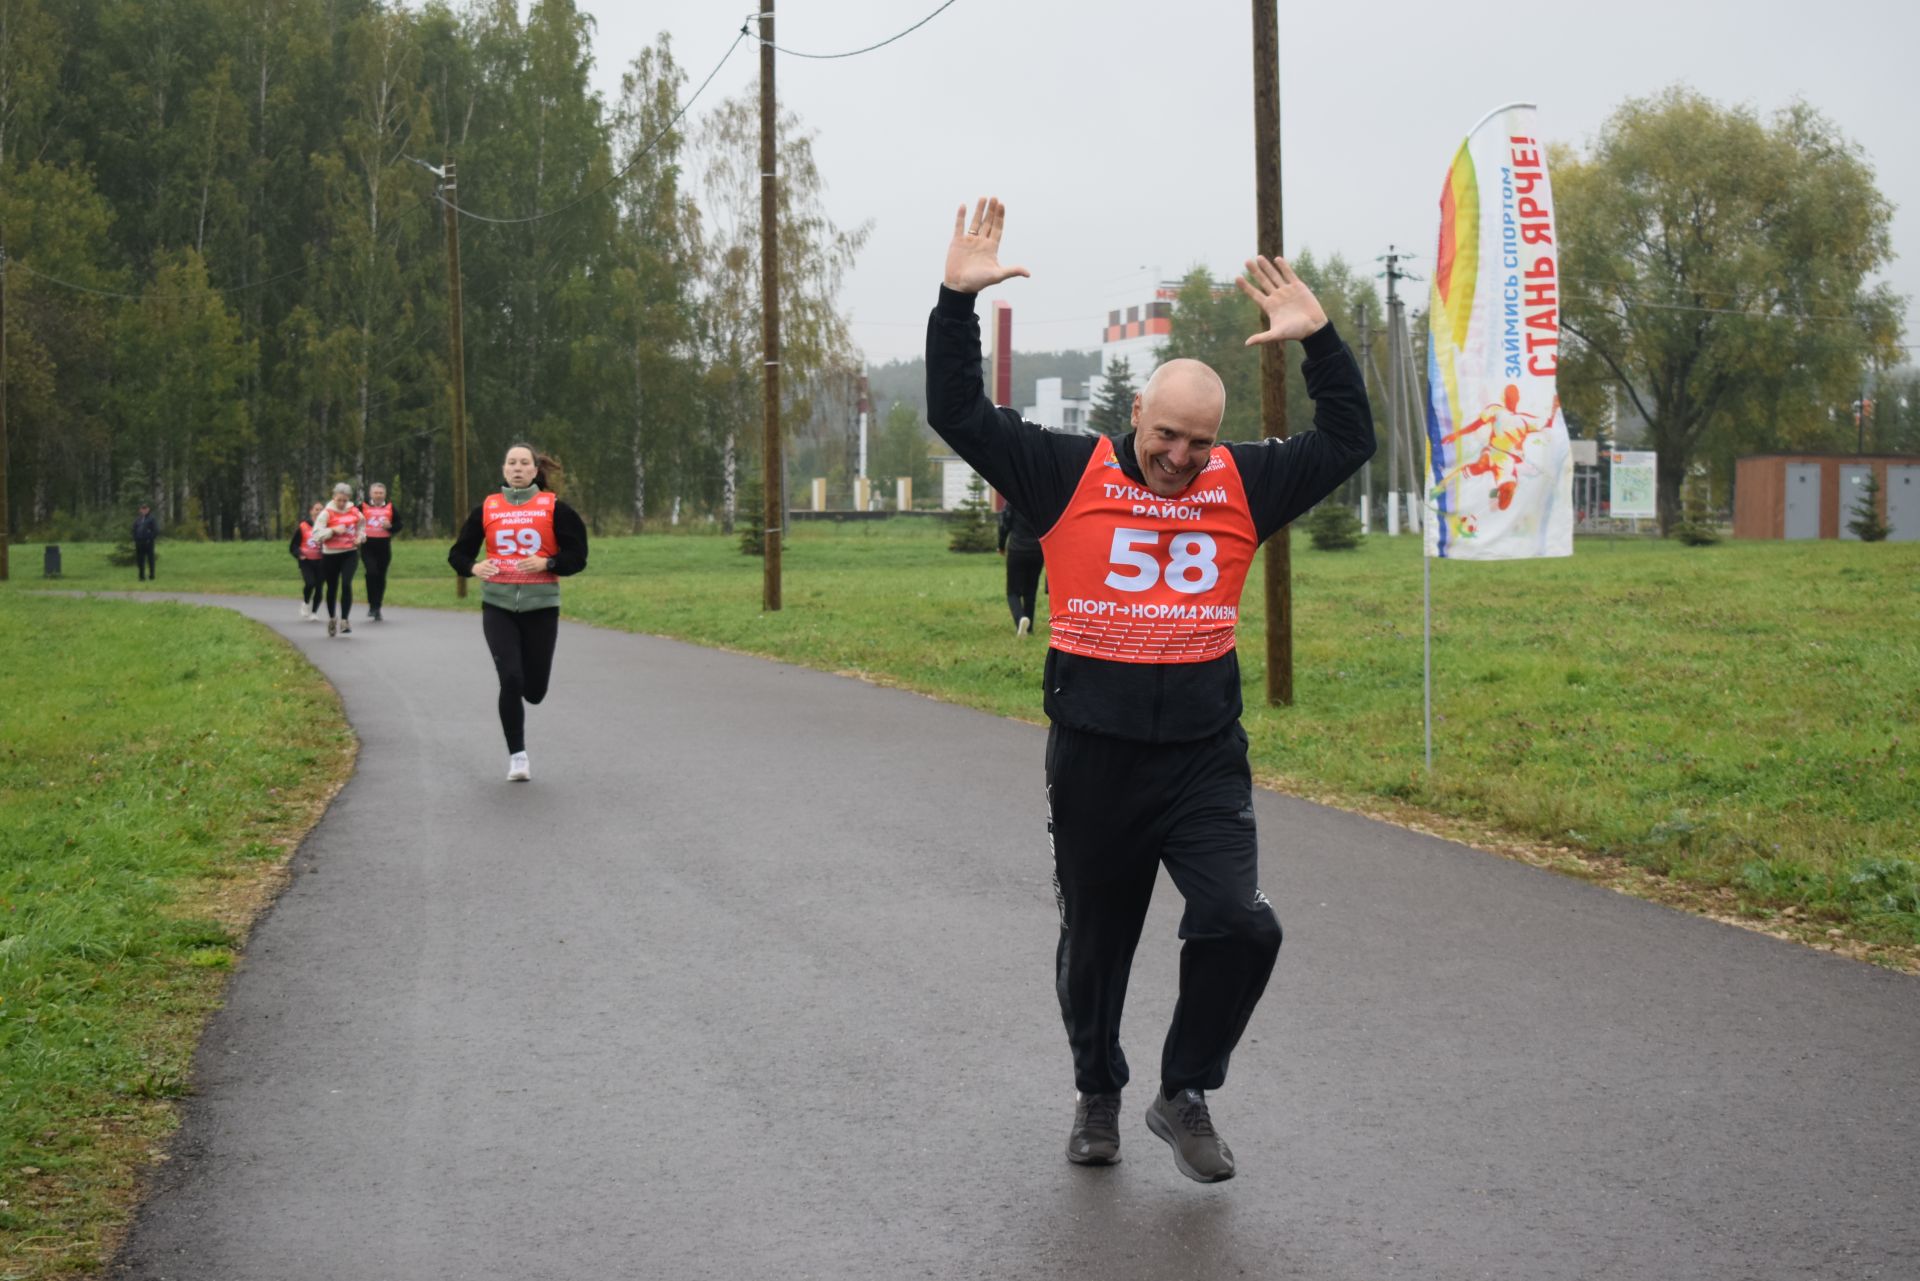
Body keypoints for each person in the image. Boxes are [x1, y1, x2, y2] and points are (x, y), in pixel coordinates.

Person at [927, 198, 1373, 1183]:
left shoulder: (1244, 485)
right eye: (1168, 435)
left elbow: (1347, 442)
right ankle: (1098, 1089)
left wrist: (1324, 341)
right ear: (1136, 415)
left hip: (1205, 762)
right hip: (1094, 759)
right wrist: (958, 301)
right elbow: (957, 413)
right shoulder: (1062, 472)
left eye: (1199, 443)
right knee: (1098, 948)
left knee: (1242, 923)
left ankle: (1186, 1091)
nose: (1181, 458)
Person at [447, 443, 589, 782]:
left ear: (535, 470)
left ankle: (527, 695)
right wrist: (473, 567)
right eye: (511, 462)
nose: (517, 468)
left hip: (541, 606)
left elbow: (578, 556)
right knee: (510, 678)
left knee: (534, 691)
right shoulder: (488, 507)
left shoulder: (554, 508)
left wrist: (548, 562)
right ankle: (518, 756)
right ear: (503, 469)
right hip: (498, 604)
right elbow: (458, 553)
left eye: (524, 463)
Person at [309, 482, 365, 637]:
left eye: (344, 500)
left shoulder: (354, 511)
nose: (341, 503)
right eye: (339, 500)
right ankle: (333, 619)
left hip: (350, 553)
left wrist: (360, 537)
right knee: (332, 587)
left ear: (348, 499)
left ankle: (345, 620)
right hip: (331, 555)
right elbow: (316, 534)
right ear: (334, 497)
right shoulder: (326, 513)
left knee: (346, 584)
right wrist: (332, 530)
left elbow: (362, 526)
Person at [997, 502, 1043, 635]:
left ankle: (1020, 619)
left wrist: (1001, 544)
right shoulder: (1038, 501)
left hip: (1017, 551)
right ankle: (1029, 628)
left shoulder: (1013, 500)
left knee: (1012, 592)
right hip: (1037, 551)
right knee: (1031, 592)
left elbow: (1004, 522)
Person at [359, 482, 400, 621]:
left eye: (381, 493)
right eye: (376, 493)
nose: (378, 495)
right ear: (371, 494)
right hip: (367, 546)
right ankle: (371, 604)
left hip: (384, 547)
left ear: (385, 494)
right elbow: (352, 522)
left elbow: (399, 525)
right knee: (371, 572)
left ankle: (377, 607)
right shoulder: (362, 506)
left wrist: (390, 526)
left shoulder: (390, 507)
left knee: (381, 576)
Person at [290, 501, 326, 620]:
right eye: (316, 509)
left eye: (321, 510)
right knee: (310, 583)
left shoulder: (328, 526)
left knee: (319, 586)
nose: (319, 512)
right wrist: (299, 554)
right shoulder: (303, 526)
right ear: (311, 511)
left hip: (322, 561)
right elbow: (293, 546)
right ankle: (306, 602)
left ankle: (314, 612)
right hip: (306, 561)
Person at [132, 503, 159, 581]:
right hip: (139, 542)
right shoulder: (138, 520)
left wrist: (150, 538)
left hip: (148, 543)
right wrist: (135, 538)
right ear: (140, 510)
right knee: (140, 560)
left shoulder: (151, 519)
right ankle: (141, 576)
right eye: (142, 509)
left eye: (145, 508)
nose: (144, 510)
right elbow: (134, 529)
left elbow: (156, 530)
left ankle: (152, 575)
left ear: (148, 509)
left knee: (150, 559)